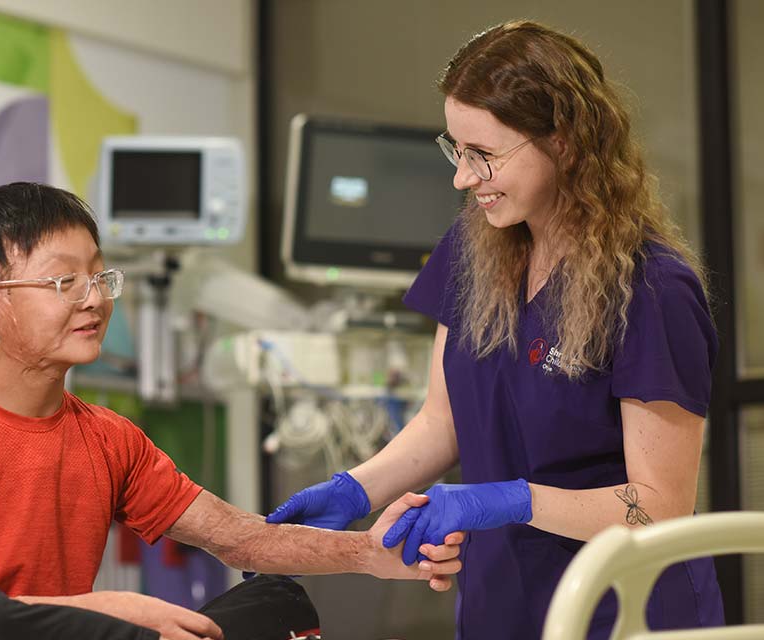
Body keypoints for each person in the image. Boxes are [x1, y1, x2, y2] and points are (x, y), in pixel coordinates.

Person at [267, 20, 725, 639]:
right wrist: (353, 489)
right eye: (455, 149)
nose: (462, 176)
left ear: (563, 143)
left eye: (483, 154)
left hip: (623, 615)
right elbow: (442, 422)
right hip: (501, 607)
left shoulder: (650, 290)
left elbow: (658, 507)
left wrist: (512, 499)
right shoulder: (472, 250)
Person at [0, 182, 464, 640]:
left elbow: (241, 540)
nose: (95, 298)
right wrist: (113, 614)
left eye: (98, 275)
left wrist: (370, 553)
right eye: (65, 281)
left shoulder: (109, 440)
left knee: (273, 601)